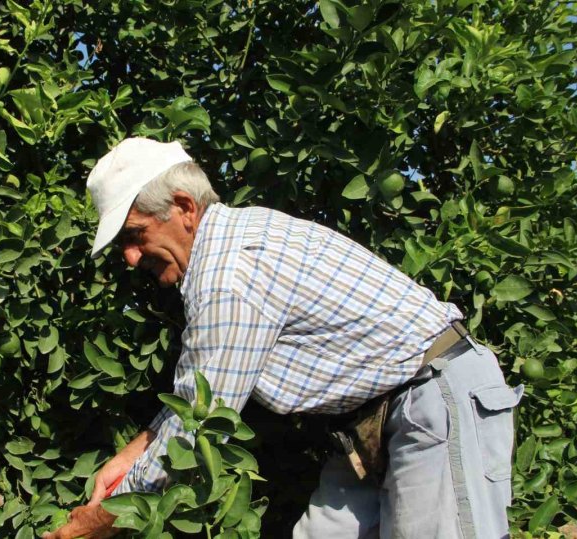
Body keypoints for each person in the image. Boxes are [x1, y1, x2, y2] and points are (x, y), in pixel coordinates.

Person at [43, 138, 522, 539]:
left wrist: (100, 519)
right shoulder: (228, 248)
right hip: (369, 420)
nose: (130, 257)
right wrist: (130, 457)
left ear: (184, 209)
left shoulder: (229, 276)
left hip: (430, 400)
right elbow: (195, 399)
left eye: (135, 235)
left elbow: (199, 426)